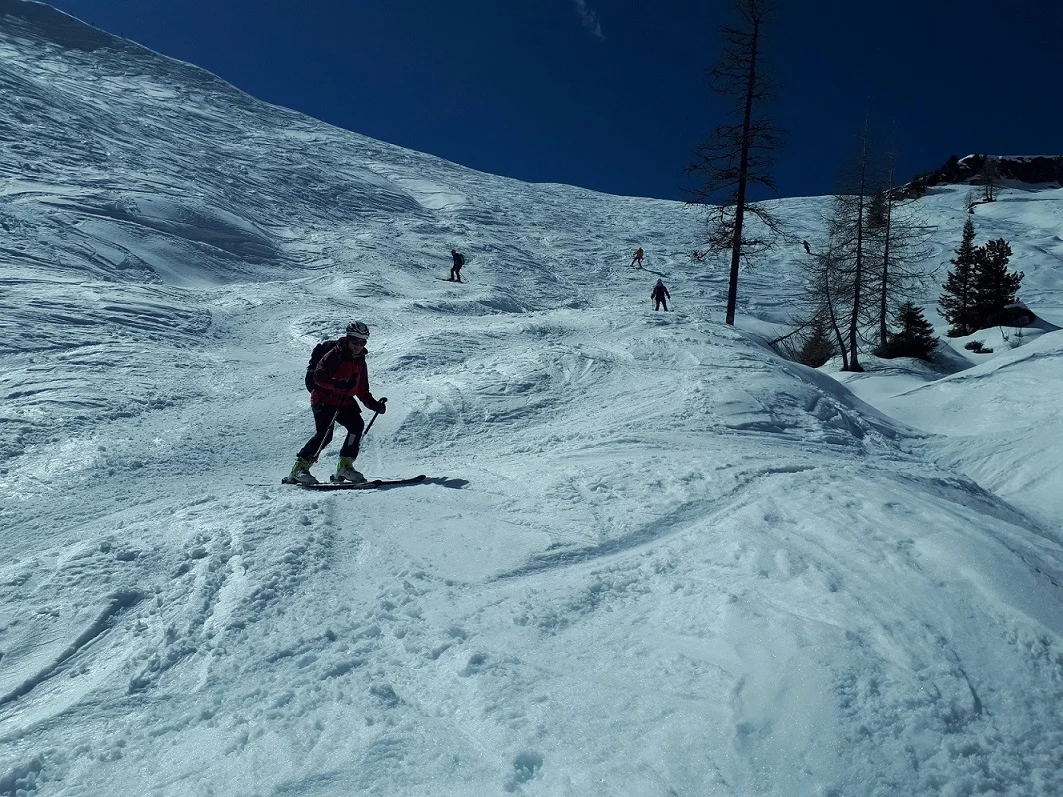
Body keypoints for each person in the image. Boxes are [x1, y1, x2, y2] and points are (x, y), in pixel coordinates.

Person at [288, 321, 388, 485]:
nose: (358, 346)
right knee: (325, 435)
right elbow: (319, 377)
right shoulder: (335, 354)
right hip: (323, 398)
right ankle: (299, 469)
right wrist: (338, 384)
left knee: (356, 426)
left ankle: (345, 467)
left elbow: (362, 389)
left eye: (362, 342)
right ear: (348, 339)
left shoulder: (360, 361)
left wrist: (374, 405)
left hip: (344, 401)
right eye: (355, 342)